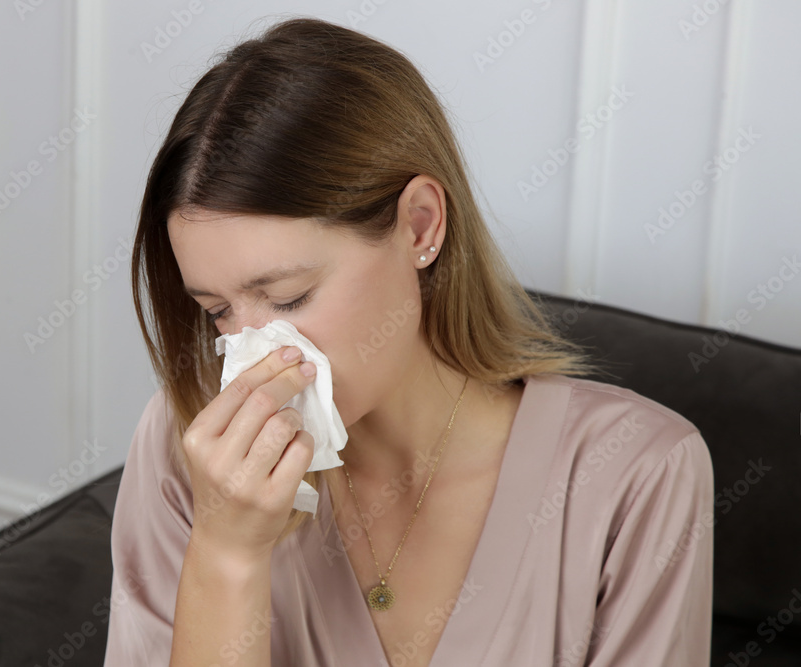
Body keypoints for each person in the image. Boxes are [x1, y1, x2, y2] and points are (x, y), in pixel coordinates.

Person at [103, 16, 714, 667]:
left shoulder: (635, 473)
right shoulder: (185, 449)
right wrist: (226, 556)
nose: (258, 350)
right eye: (218, 310)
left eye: (288, 297)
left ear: (419, 226)